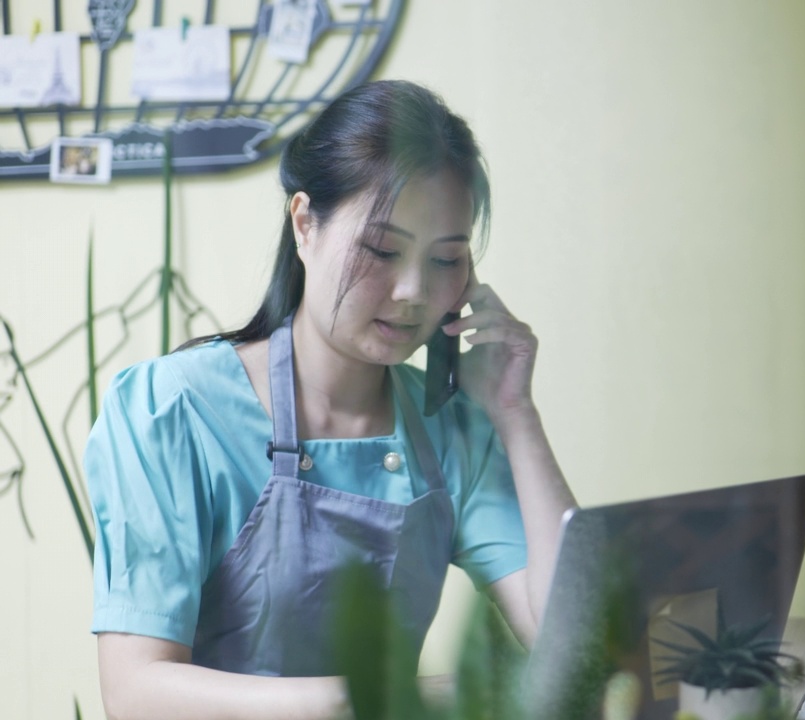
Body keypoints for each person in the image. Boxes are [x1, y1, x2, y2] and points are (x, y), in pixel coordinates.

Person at [86, 80, 577, 720]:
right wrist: (388, 699)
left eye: (445, 260)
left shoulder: (451, 430)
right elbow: (136, 694)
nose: (411, 291)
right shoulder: (174, 410)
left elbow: (574, 647)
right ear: (305, 225)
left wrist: (516, 412)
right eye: (382, 249)